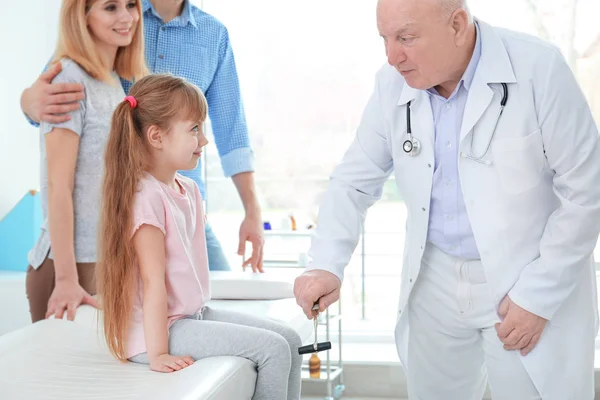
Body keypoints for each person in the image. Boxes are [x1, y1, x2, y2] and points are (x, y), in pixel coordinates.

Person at [294, 0, 600, 399]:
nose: (392, 56)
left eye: (406, 37)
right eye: (384, 38)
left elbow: (587, 190)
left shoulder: (538, 68)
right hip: (434, 274)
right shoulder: (391, 85)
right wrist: (325, 264)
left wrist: (537, 296)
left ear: (457, 25)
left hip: (525, 273)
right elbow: (353, 181)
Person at [96, 74, 302, 400]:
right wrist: (158, 353)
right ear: (156, 136)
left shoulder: (188, 189)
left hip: (191, 317)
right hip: (158, 331)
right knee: (273, 350)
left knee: (289, 339)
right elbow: (152, 283)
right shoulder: (145, 196)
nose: (204, 141)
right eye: (194, 129)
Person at [20, 0, 264, 273]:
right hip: (123, 207)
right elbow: (56, 86)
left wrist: (252, 211)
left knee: (214, 292)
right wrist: (27, 102)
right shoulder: (119, 17)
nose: (124, 14)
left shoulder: (213, 34)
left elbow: (232, 130)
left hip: (182, 207)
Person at [25, 0, 147, 323]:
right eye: (110, 7)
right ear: (83, 18)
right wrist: (66, 279)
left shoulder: (112, 85)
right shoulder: (69, 78)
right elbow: (58, 186)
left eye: (131, 5)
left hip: (102, 260)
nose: (127, 17)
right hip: (70, 268)